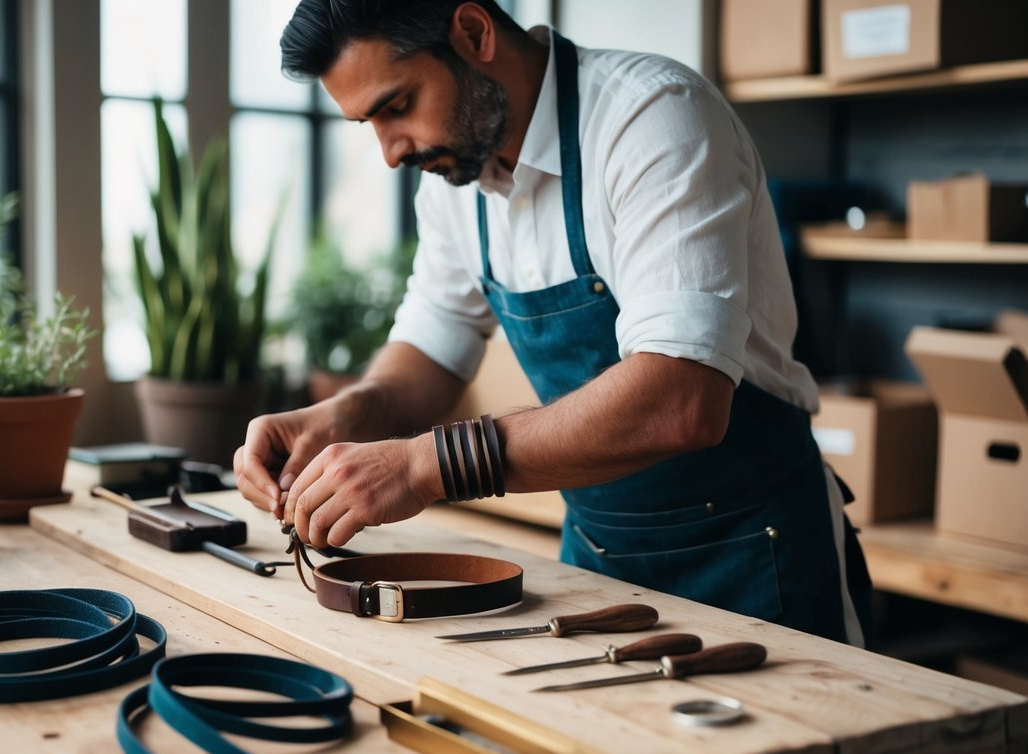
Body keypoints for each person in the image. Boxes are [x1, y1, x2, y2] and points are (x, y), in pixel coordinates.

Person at [235, 0, 874, 649]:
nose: (390, 153)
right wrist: (339, 419)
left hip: (757, 553)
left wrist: (426, 465)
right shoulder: (456, 181)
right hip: (599, 555)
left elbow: (681, 400)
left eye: (397, 106)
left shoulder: (654, 117)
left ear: (474, 33)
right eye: (367, 123)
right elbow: (430, 351)